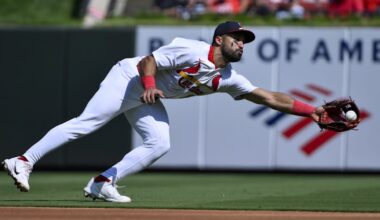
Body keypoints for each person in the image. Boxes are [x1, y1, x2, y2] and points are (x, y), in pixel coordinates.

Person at [2, 21, 324, 203]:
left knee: (160, 143)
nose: (241, 43)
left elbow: (269, 97)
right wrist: (149, 84)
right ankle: (24, 160)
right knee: (89, 123)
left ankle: (102, 183)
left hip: (147, 92)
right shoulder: (192, 48)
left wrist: (312, 112)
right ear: (219, 39)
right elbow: (147, 62)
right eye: (236, 38)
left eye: (244, 41)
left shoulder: (228, 78)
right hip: (130, 78)